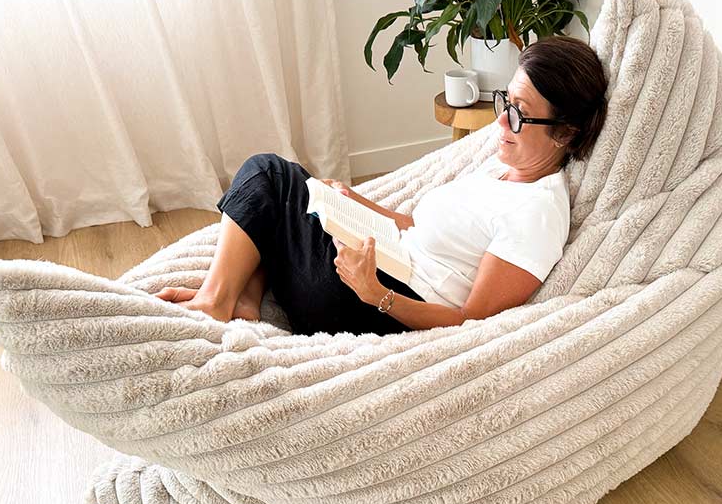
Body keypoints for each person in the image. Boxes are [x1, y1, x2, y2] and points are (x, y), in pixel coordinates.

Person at [154, 36, 608, 336]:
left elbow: (472, 322)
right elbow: (419, 226)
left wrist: (376, 294)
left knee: (269, 174)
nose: (501, 120)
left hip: (372, 307)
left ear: (565, 132)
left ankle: (215, 301)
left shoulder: (538, 215)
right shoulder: (503, 165)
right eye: (504, 100)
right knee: (295, 189)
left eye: (518, 112)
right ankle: (245, 300)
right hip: (383, 266)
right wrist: (355, 203)